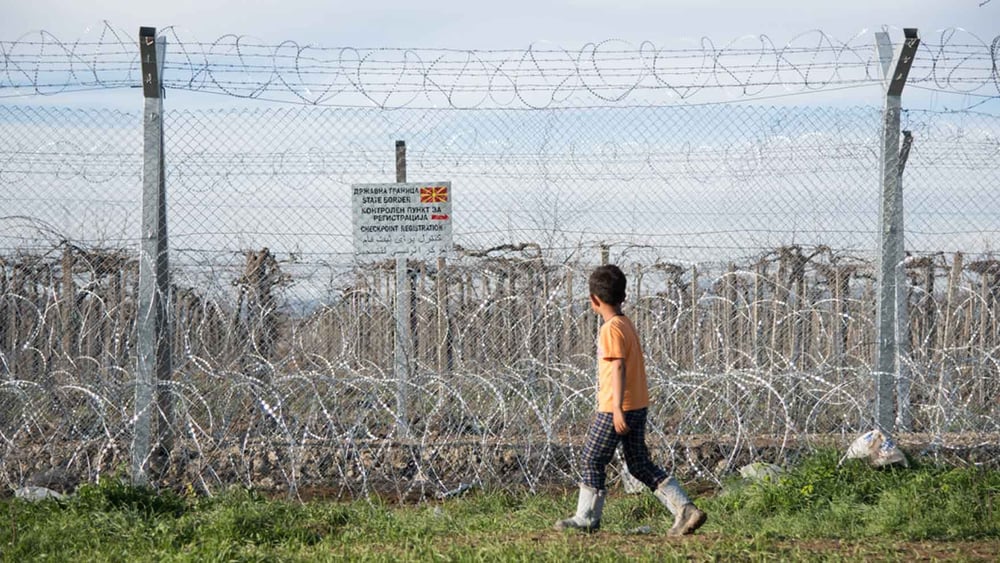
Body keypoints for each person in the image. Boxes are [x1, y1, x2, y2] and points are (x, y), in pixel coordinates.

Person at [555, 264, 707, 535]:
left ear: (594, 300)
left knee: (592, 457)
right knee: (638, 463)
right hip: (637, 404)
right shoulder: (625, 323)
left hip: (617, 407)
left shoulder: (610, 329)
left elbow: (618, 367)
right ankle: (685, 509)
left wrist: (615, 409)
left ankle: (587, 517)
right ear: (623, 297)